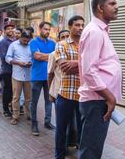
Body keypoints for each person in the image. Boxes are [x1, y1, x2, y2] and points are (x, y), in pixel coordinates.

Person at [78, 0, 122, 159]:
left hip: (99, 100)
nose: (116, 7)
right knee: (91, 151)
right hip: (96, 101)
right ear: (100, 8)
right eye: (112, 3)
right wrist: (110, 97)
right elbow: (90, 70)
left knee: (93, 148)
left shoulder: (101, 30)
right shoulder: (94, 31)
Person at [54, 16, 84, 159]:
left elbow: (92, 66)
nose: (80, 28)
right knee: (61, 129)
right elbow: (64, 67)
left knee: (82, 130)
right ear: (70, 26)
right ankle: (58, 156)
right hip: (65, 94)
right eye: (77, 25)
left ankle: (80, 155)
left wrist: (75, 64)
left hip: (83, 95)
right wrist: (82, 64)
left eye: (82, 25)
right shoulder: (61, 44)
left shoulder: (86, 44)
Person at [29, 21, 56, 136]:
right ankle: (34, 123)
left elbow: (56, 57)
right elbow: (36, 56)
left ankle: (47, 122)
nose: (47, 31)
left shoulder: (53, 43)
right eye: (45, 29)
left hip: (50, 76)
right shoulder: (33, 42)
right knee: (34, 101)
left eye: (49, 29)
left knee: (49, 100)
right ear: (40, 29)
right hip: (36, 76)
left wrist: (44, 56)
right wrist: (51, 56)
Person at [5, 30, 33, 125]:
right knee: (16, 97)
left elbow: (34, 57)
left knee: (28, 98)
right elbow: (7, 58)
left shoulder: (31, 45)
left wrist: (30, 63)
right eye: (24, 40)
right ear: (20, 37)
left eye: (27, 41)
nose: (26, 42)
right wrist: (18, 63)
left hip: (29, 75)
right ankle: (15, 117)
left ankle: (29, 115)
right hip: (17, 75)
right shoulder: (13, 45)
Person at [0, 24, 16, 118]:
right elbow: (3, 57)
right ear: (5, 31)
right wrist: (17, 60)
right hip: (6, 70)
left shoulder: (15, 41)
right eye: (8, 29)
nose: (10, 30)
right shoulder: (3, 42)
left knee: (14, 91)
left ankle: (12, 107)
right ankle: (5, 109)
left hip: (15, 70)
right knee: (7, 90)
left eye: (12, 29)